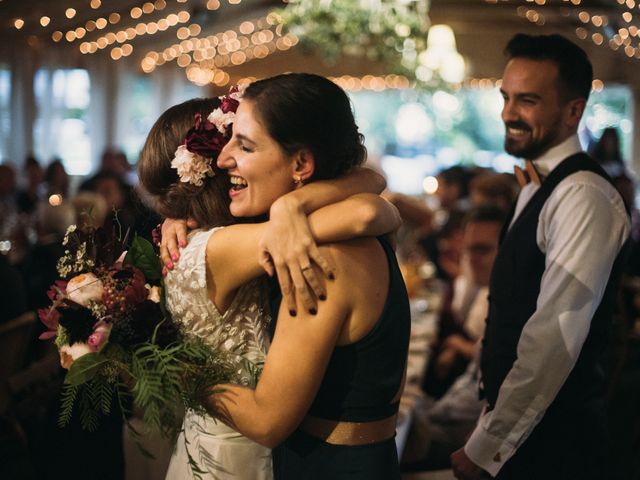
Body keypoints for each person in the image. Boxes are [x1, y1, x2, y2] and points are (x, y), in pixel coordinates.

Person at [140, 79, 402, 479]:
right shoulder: (307, 238)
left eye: (244, 145)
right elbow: (369, 203)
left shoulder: (320, 253)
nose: (226, 159)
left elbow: (268, 421)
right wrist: (292, 207)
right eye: (226, 146)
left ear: (301, 164)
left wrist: (169, 369)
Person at [450, 34, 630, 480]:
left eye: (527, 101)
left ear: (573, 111)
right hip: (522, 436)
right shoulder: (535, 184)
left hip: (555, 449)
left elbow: (553, 339)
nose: (508, 113)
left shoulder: (583, 195)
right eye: (506, 98)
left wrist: (486, 446)